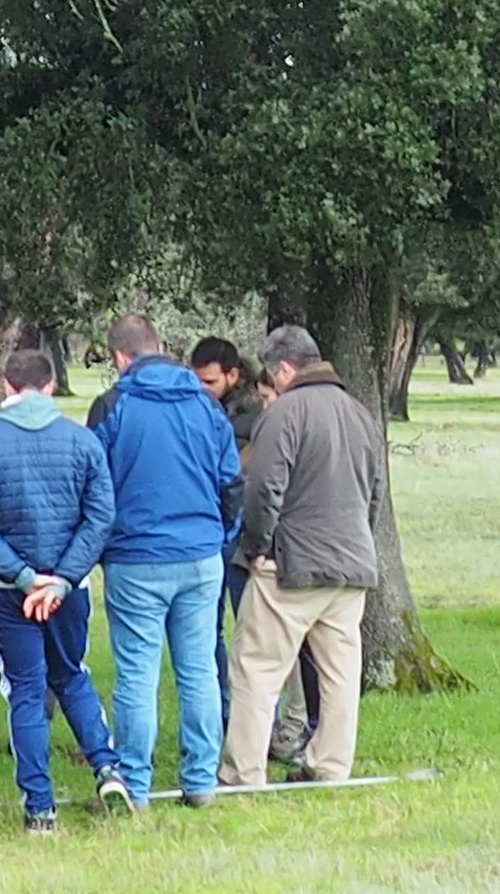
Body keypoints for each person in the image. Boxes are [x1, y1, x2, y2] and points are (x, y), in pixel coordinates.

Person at [0, 346, 127, 828]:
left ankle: (41, 808)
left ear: (7, 386)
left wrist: (25, 578)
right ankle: (107, 766)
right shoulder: (83, 441)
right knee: (72, 673)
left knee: (27, 691)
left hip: (10, 590)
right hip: (67, 588)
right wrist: (64, 578)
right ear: (50, 385)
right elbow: (100, 517)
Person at [222, 324, 385, 787]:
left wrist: (256, 546)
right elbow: (375, 493)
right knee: (339, 674)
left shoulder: (285, 413)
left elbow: (263, 489)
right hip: (351, 564)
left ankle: (242, 772)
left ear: (286, 369)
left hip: (291, 566)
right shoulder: (360, 413)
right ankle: (331, 766)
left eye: (271, 378)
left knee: (257, 667)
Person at [96, 315, 240, 807]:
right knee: (199, 669)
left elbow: (94, 486)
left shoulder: (113, 405)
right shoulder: (205, 403)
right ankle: (200, 780)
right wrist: (222, 536)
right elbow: (231, 480)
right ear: (161, 347)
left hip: (135, 556)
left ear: (120, 357)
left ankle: (134, 784)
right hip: (200, 553)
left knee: (137, 672)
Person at [193, 334, 309, 761]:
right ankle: (234, 719)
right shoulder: (215, 412)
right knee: (218, 637)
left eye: (209, 381)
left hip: (245, 540)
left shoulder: (257, 416)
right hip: (221, 536)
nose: (203, 389)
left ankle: (278, 726)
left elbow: (247, 475)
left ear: (232, 375)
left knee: (260, 638)